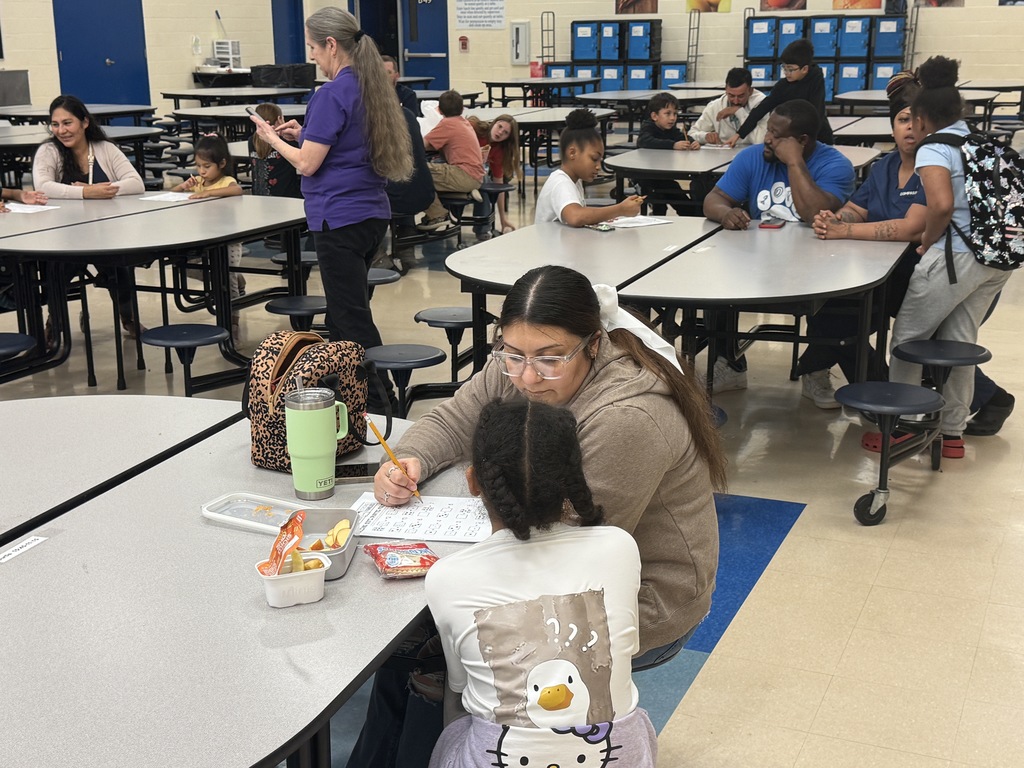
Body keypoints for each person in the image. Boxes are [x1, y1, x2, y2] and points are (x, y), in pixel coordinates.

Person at [352, 264, 724, 767]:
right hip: (567, 562)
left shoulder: (626, 418)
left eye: (549, 360)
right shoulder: (527, 362)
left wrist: (459, 569)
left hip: (645, 602)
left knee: (428, 657)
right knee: (418, 644)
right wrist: (412, 458)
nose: (526, 377)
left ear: (593, 344)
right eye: (513, 355)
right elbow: (454, 417)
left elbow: (564, 545)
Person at [425, 399, 657, 768]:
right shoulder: (619, 547)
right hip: (615, 753)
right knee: (638, 721)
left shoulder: (446, 577)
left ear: (473, 482)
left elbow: (460, 687)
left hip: (501, 754)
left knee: (455, 715)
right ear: (572, 479)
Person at [251, 7, 412, 413]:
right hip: (371, 215)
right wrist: (303, 133)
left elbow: (307, 164)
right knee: (344, 317)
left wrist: (272, 137)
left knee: (350, 316)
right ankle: (351, 397)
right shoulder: (369, 86)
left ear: (331, 45)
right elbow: (347, 142)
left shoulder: (329, 93)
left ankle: (381, 404)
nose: (312, 58)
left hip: (338, 218)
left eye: (312, 48)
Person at [887, 56, 1014, 459]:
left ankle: (904, 426)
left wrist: (927, 241)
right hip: (997, 258)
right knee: (961, 343)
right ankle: (953, 433)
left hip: (956, 256)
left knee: (907, 338)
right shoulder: (978, 140)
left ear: (922, 117)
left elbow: (940, 205)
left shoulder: (933, 149)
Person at [703, 99, 855, 398]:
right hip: (758, 263)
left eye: (776, 134)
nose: (767, 139)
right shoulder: (753, 158)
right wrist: (725, 213)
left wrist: (794, 162)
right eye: (768, 130)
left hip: (816, 265)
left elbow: (814, 214)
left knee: (841, 300)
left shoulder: (836, 165)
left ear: (802, 141)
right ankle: (731, 364)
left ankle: (815, 368)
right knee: (713, 283)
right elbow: (714, 198)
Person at [803, 72, 927, 404]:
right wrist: (834, 219)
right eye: (903, 120)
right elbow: (857, 208)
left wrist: (846, 231)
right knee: (835, 311)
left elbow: (911, 228)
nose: (910, 127)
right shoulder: (886, 166)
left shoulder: (933, 168)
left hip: (919, 275)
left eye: (917, 120)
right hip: (880, 271)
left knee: (842, 320)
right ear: (893, 129)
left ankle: (819, 367)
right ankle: (875, 390)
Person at [32, 94, 147, 339]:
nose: (61, 130)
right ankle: (55, 320)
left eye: (67, 123)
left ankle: (129, 318)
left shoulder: (105, 148)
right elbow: (43, 187)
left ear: (84, 122)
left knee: (120, 269)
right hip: (64, 236)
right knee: (56, 271)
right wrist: (86, 192)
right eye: (55, 124)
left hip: (104, 233)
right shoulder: (48, 151)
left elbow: (136, 183)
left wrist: (103, 190)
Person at [171, 134, 245, 342]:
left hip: (228, 238)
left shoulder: (226, 181)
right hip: (205, 238)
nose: (201, 171)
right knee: (190, 268)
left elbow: (236, 189)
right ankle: (238, 279)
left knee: (226, 276)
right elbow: (171, 193)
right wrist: (183, 187)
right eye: (198, 166)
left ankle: (233, 321)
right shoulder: (199, 182)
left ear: (222, 163)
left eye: (206, 166)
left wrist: (210, 194)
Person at [534, 109, 643, 226]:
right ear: (572, 153)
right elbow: (576, 217)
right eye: (594, 159)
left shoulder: (575, 181)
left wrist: (599, 218)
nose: (598, 167)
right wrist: (620, 209)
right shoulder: (560, 183)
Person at [727, 39, 833, 147]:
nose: (786, 73)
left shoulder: (816, 81)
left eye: (790, 69)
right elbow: (761, 108)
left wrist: (810, 143)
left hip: (818, 138)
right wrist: (739, 134)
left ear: (804, 69)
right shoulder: (783, 85)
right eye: (784, 68)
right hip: (793, 137)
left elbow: (817, 114)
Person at [417, 90, 485, 231]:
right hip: (475, 175)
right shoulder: (463, 122)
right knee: (427, 172)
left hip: (463, 175)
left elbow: (420, 146)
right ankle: (460, 194)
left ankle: (438, 214)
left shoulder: (447, 124)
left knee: (415, 171)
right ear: (462, 109)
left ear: (439, 109)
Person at [636, 91, 696, 216]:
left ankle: (693, 216)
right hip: (647, 177)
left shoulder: (671, 130)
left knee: (682, 201)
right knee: (660, 204)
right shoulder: (648, 127)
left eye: (675, 114)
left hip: (664, 176)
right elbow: (644, 141)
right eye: (667, 114)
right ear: (654, 116)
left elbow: (682, 137)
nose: (673, 118)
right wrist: (672, 145)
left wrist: (692, 142)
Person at [466, 113, 520, 236]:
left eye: (506, 133)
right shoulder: (474, 127)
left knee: (485, 181)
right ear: (494, 123)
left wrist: (503, 219)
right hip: (453, 164)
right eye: (500, 126)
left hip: (474, 174)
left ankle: (482, 229)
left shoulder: (499, 151)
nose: (500, 132)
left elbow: (498, 185)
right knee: (483, 177)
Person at [689, 67, 769, 148]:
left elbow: (760, 141)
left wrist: (739, 111)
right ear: (726, 89)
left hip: (751, 153)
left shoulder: (763, 104)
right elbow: (691, 134)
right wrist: (705, 136)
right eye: (731, 95)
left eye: (741, 96)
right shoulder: (716, 106)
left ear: (750, 91)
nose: (736, 101)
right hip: (723, 154)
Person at [248, 102, 302, 199]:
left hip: (259, 197)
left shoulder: (252, 140)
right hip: (288, 197)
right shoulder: (288, 141)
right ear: (280, 119)